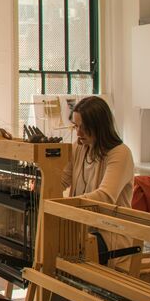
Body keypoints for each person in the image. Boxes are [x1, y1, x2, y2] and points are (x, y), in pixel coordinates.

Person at [62, 96, 135, 264]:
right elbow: (61, 180)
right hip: (82, 229)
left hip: (111, 235)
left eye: (84, 127)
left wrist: (66, 205)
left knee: (64, 251)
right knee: (48, 244)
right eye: (76, 126)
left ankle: (70, 289)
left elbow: (105, 196)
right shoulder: (79, 148)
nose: (78, 133)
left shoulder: (120, 153)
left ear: (99, 127)